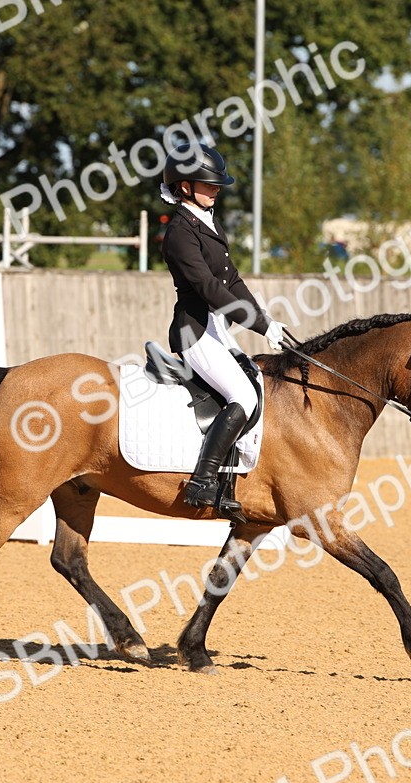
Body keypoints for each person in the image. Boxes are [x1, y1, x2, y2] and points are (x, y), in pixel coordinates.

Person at [159, 144, 286, 517]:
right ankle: (203, 482)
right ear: (184, 186)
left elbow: (232, 281)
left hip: (217, 327)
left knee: (256, 384)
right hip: (194, 330)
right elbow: (209, 289)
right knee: (243, 397)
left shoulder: (207, 222)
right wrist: (259, 325)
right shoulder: (181, 232)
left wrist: (268, 322)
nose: (217, 189)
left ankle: (234, 475)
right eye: (208, 183)